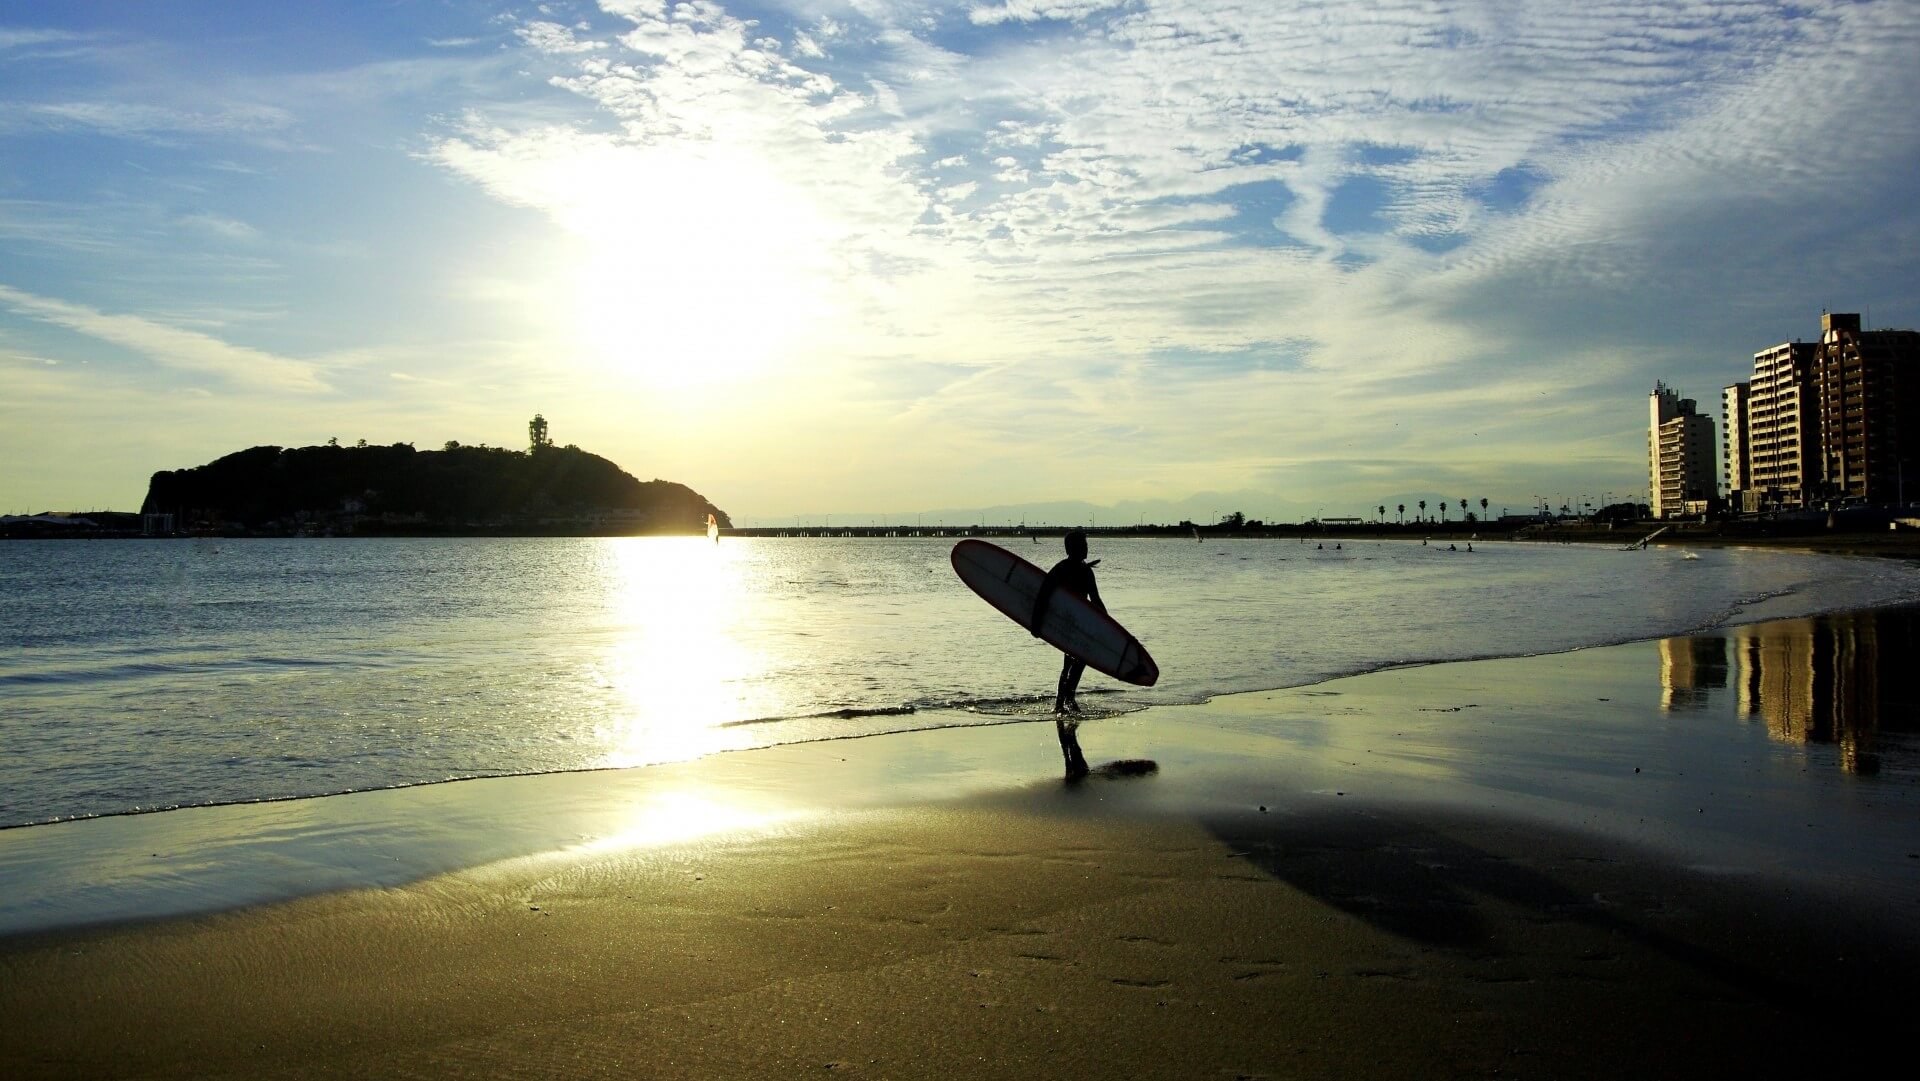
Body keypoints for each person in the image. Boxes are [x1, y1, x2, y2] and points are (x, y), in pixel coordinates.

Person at [1030, 530, 1103, 776]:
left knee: (1077, 662)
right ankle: (1063, 702)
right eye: (1084, 545)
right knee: (1070, 663)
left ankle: (1065, 700)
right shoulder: (1062, 569)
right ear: (1073, 548)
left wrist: (1109, 628)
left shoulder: (1084, 571)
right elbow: (1043, 595)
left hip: (1079, 625)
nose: (1087, 548)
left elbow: (1096, 600)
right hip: (1065, 625)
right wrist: (1036, 624)